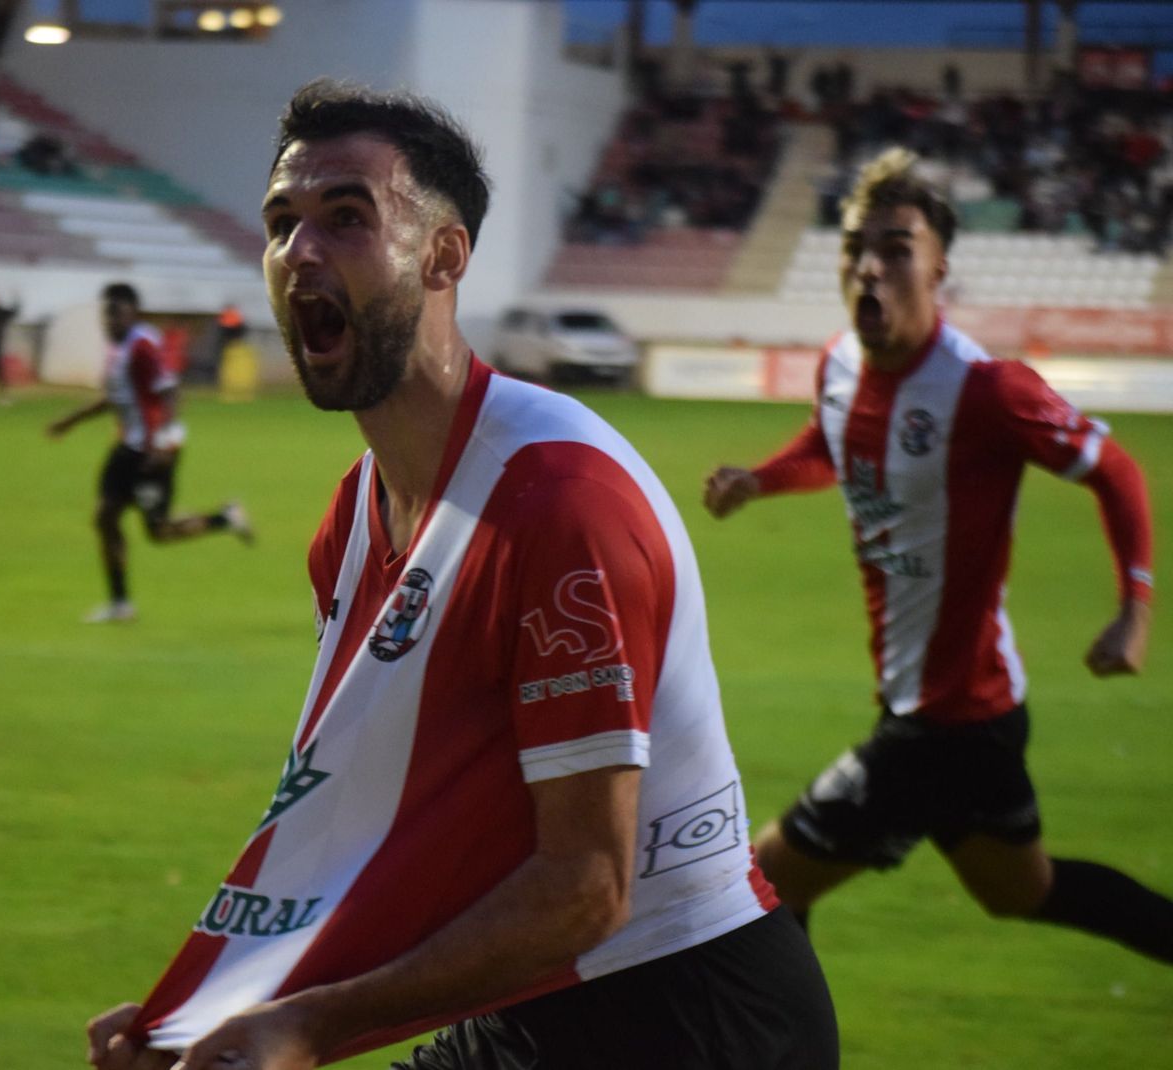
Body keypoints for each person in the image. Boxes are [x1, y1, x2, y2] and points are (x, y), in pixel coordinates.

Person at [85, 80, 837, 1070]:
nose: (299, 251)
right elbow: (380, 826)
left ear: (444, 255)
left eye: (346, 217)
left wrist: (306, 1022)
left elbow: (588, 886)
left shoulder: (559, 499)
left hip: (695, 1012)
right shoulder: (351, 521)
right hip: (530, 1004)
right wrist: (199, 1020)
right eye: (280, 223)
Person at [703, 148, 1171, 964]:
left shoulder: (988, 390)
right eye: (857, 248)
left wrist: (1135, 610)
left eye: (896, 249)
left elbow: (1117, 471)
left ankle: (788, 1037)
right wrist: (761, 480)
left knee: (765, 886)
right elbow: (832, 444)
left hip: (946, 723)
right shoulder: (839, 364)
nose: (870, 267)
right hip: (969, 716)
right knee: (1019, 890)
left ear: (937, 268)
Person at [47, 282, 253, 624]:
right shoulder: (117, 349)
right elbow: (116, 398)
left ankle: (225, 518)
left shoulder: (144, 344)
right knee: (105, 517)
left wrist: (165, 442)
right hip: (126, 448)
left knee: (159, 531)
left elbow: (170, 392)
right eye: (107, 313)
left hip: (151, 453)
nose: (110, 320)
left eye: (117, 313)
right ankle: (120, 604)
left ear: (133, 314)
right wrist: (70, 421)